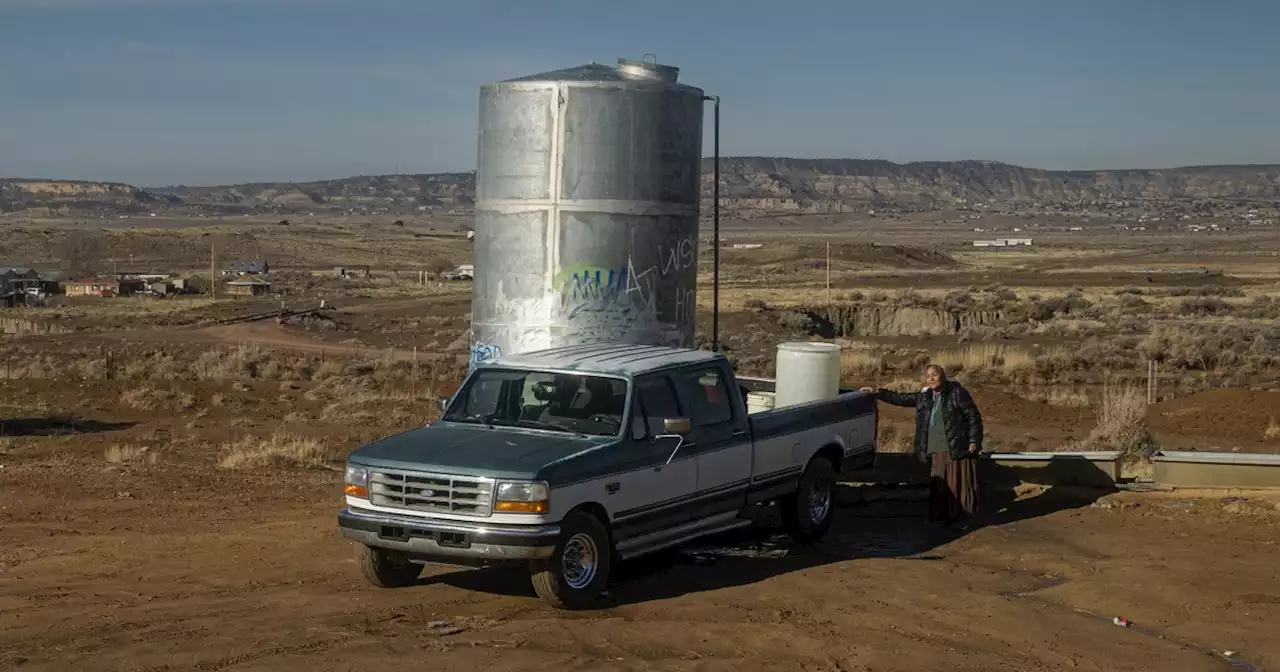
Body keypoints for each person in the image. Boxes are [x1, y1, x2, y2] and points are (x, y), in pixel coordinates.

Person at [861, 365, 984, 528]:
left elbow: (973, 417)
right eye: (928, 376)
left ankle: (963, 519)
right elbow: (901, 399)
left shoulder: (957, 392)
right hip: (935, 448)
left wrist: (974, 441)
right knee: (941, 485)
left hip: (955, 445)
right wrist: (878, 392)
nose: (931, 378)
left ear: (943, 376)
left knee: (958, 483)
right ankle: (945, 518)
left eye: (935, 375)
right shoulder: (925, 397)